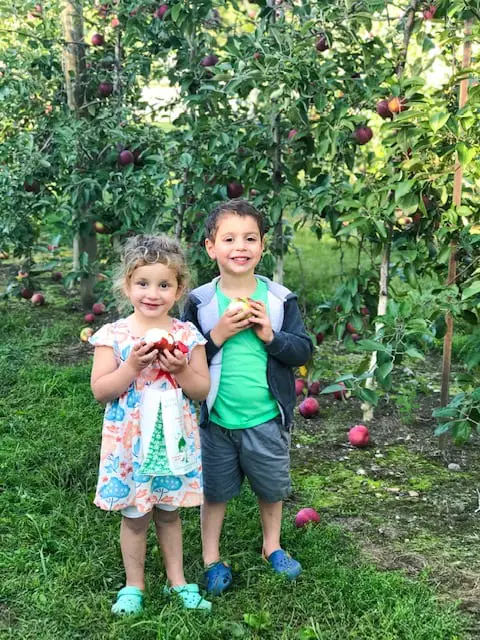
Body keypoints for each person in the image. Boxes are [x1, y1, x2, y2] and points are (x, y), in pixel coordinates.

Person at [182, 199, 313, 595]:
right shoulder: (201, 303)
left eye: (250, 238)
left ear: (263, 246)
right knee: (215, 491)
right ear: (211, 247)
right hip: (216, 418)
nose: (240, 246)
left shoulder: (277, 300)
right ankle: (211, 557)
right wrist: (218, 333)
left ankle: (271, 545)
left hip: (266, 417)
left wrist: (270, 335)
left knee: (271, 488)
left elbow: (302, 351)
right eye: (229, 238)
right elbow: (187, 359)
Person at [89, 234, 212, 615]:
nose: (153, 293)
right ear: (127, 285)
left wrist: (180, 369)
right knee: (136, 514)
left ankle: (177, 580)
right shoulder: (115, 335)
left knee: (169, 512)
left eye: (164, 284)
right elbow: (101, 390)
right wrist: (131, 366)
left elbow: (201, 389)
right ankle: (134, 585)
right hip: (131, 443)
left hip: (171, 439)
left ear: (179, 289)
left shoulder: (187, 336)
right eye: (143, 283)